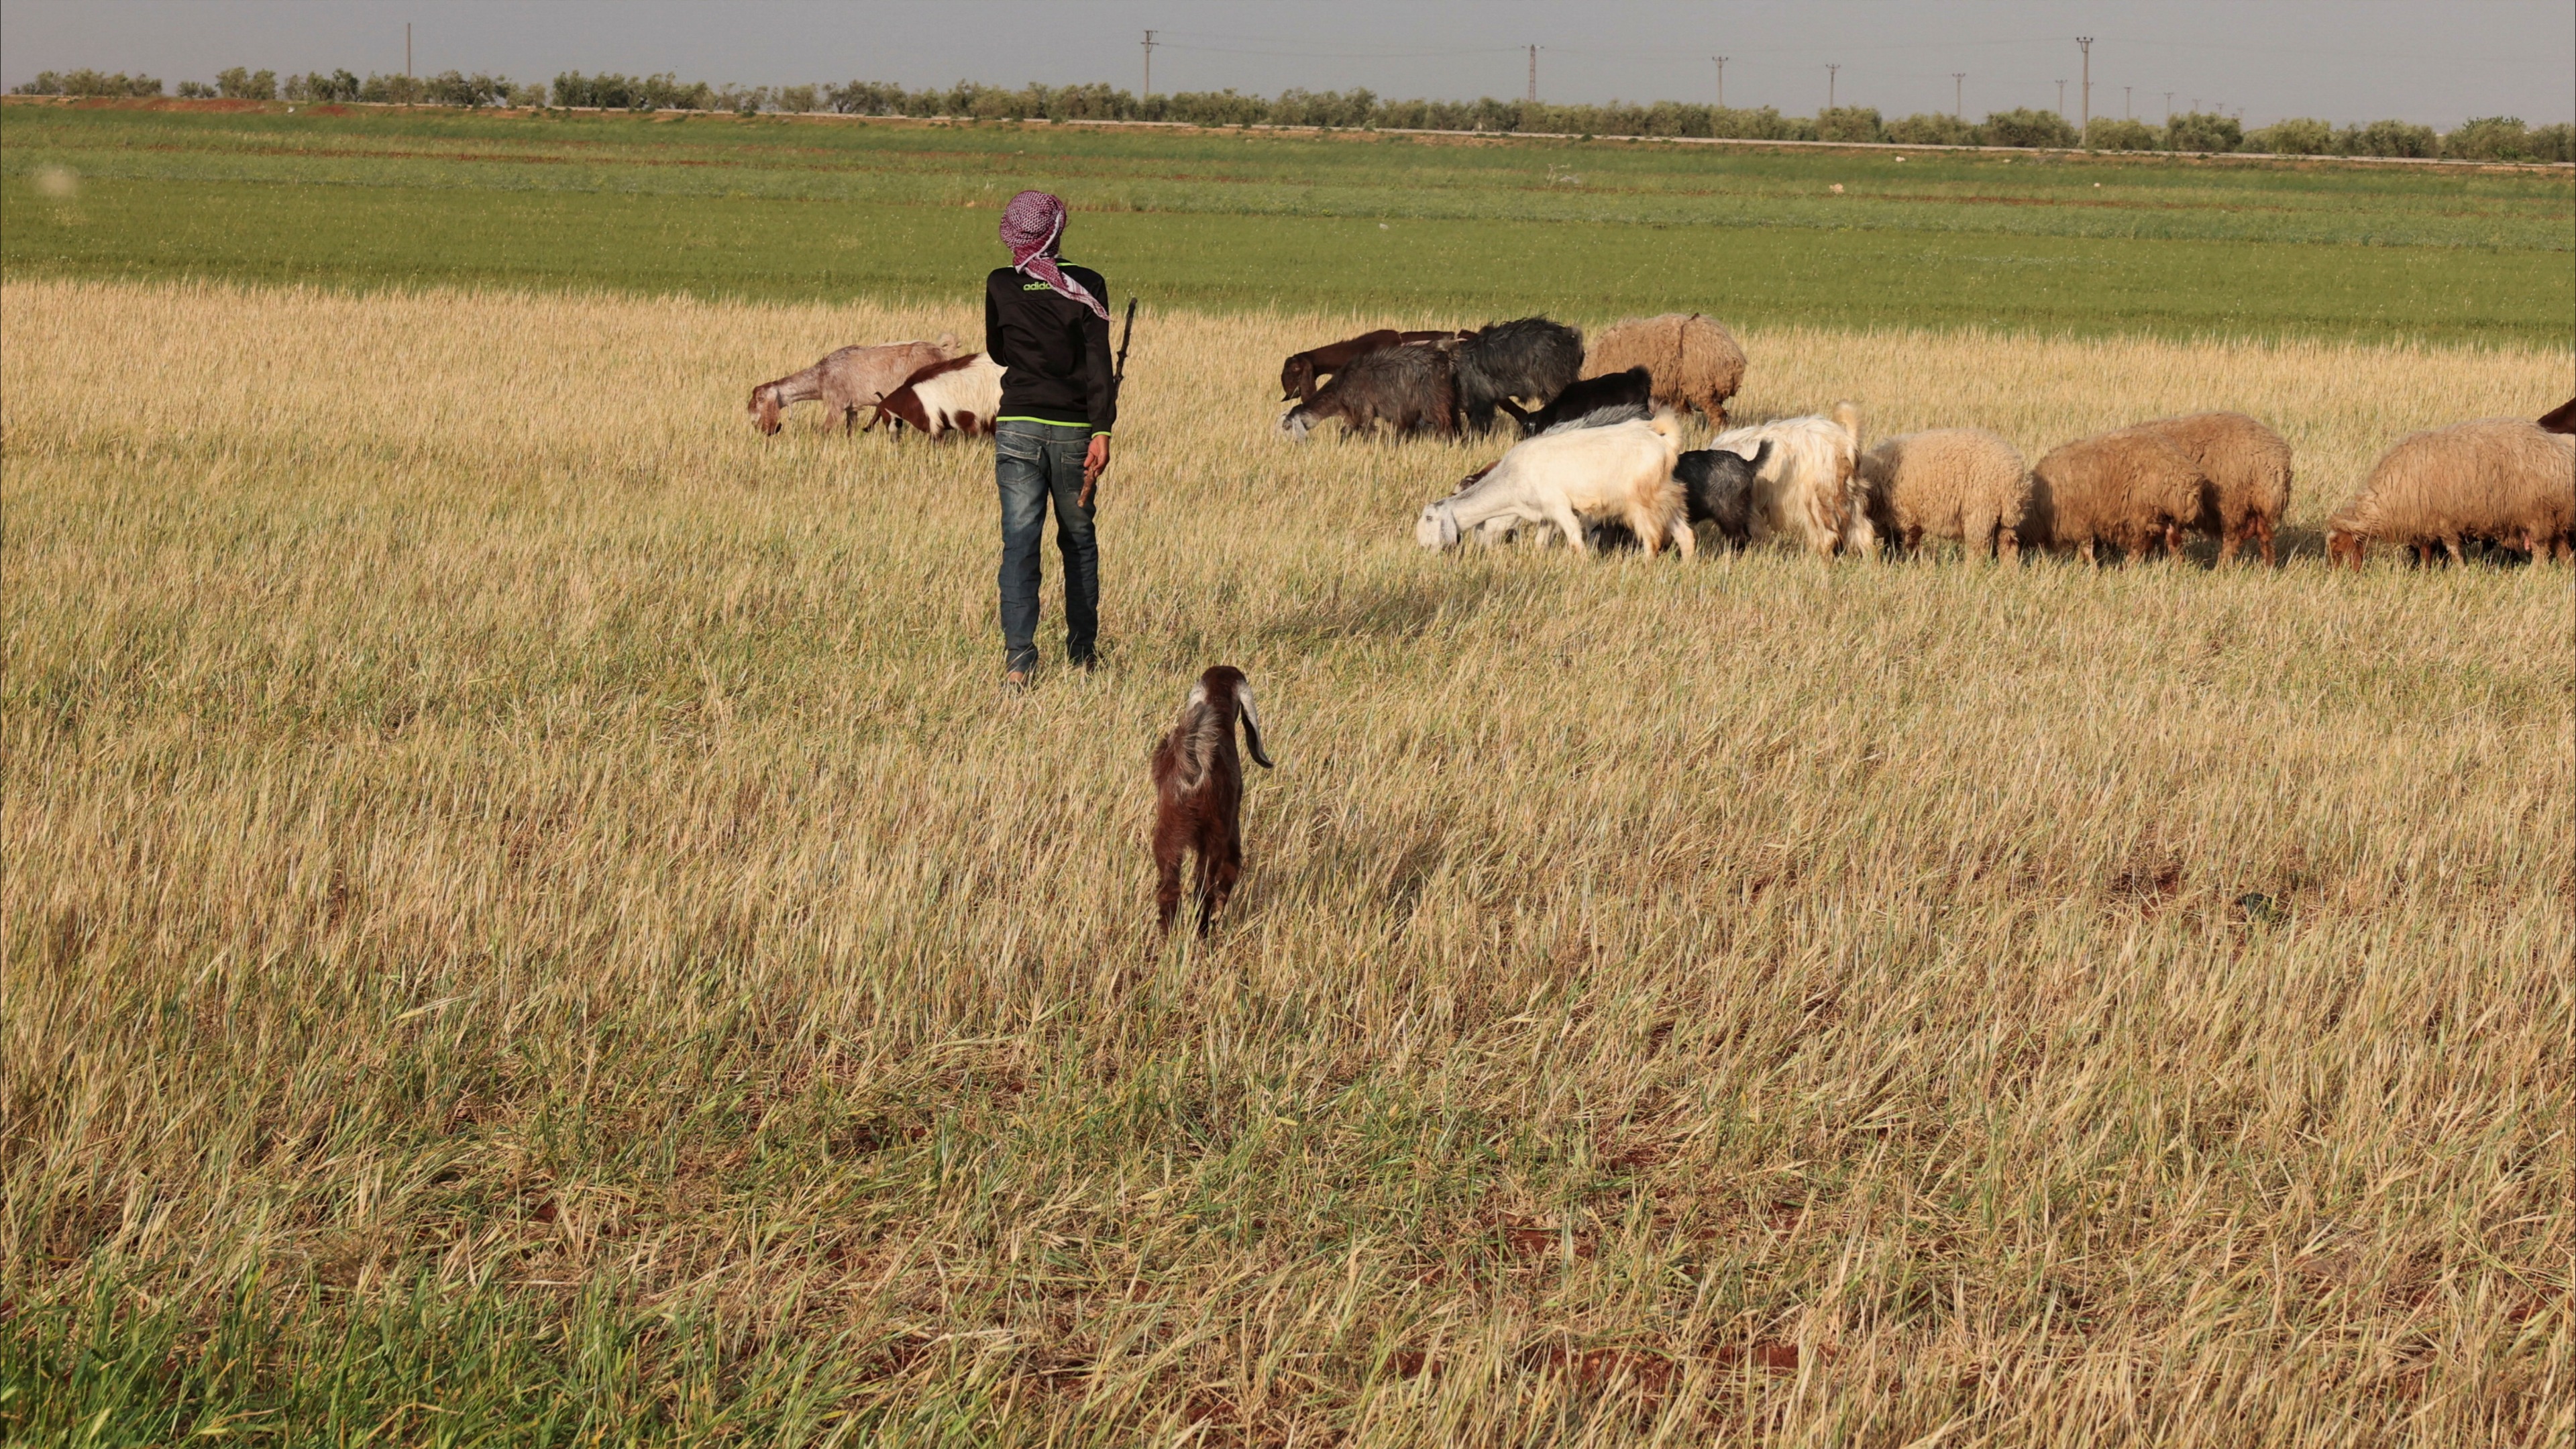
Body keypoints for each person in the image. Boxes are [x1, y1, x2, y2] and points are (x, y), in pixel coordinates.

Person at [986, 190, 1116, 688]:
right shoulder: (1088, 284)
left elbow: (998, 351)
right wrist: (1102, 429)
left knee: (1019, 544)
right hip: (1074, 433)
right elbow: (1100, 364)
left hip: (1016, 426)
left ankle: (1019, 664)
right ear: (1056, 230)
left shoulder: (1001, 284)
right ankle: (1083, 657)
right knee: (1078, 541)